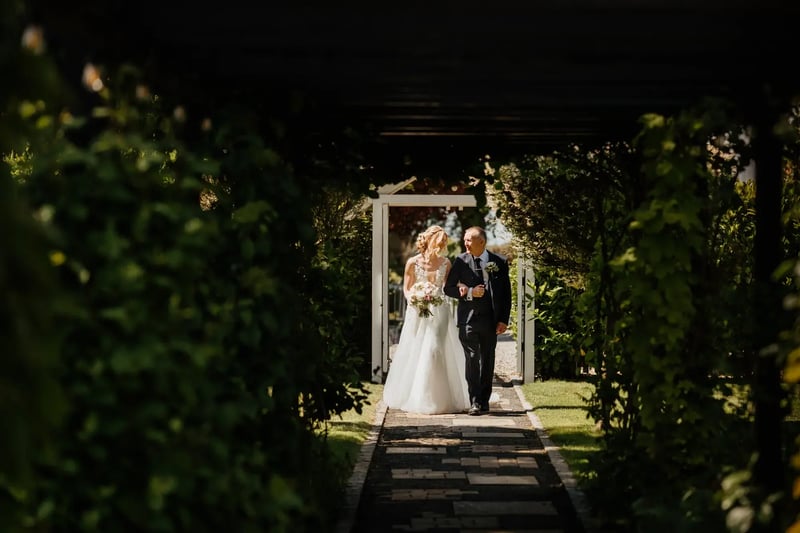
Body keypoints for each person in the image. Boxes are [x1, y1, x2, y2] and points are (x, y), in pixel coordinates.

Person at [382, 225, 471, 415]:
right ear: (430, 241)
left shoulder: (446, 263)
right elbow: (407, 288)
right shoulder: (412, 263)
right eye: (440, 242)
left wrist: (461, 286)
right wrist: (415, 298)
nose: (442, 245)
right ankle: (416, 394)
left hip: (440, 310)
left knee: (434, 348)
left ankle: (437, 398)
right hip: (417, 310)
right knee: (416, 348)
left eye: (444, 243)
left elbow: (448, 287)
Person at [444, 226, 512, 415]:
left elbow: (506, 294)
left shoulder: (499, 262)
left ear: (481, 242)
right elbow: (448, 288)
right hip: (468, 320)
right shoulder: (460, 261)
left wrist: (503, 320)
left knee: (488, 359)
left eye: (468, 240)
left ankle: (484, 400)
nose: (465, 243)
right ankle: (475, 401)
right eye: (464, 239)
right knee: (472, 358)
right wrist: (467, 293)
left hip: (491, 320)